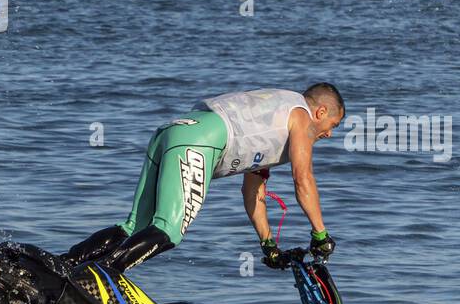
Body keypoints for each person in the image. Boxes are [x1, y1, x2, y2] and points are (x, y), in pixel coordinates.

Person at [64, 84, 344, 273]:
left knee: (135, 225)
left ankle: (65, 265)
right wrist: (320, 234)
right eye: (332, 125)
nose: (329, 134)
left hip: (172, 131)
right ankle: (100, 277)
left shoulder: (274, 118)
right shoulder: (302, 117)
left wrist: (268, 246)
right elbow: (303, 178)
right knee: (169, 230)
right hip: (200, 140)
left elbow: (253, 192)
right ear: (320, 112)